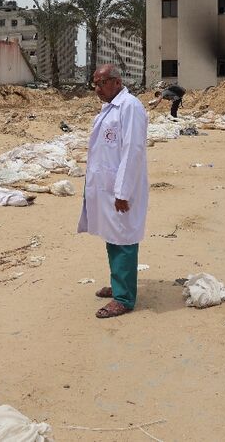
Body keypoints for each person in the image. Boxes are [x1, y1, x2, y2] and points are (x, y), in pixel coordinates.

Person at [78, 64, 149, 319]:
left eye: (101, 83)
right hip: (106, 187)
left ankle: (125, 298)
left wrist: (122, 192)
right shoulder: (110, 107)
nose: (97, 89)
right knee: (112, 235)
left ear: (116, 82)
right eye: (94, 84)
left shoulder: (130, 107)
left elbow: (133, 151)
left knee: (124, 239)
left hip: (121, 189)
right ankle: (119, 284)